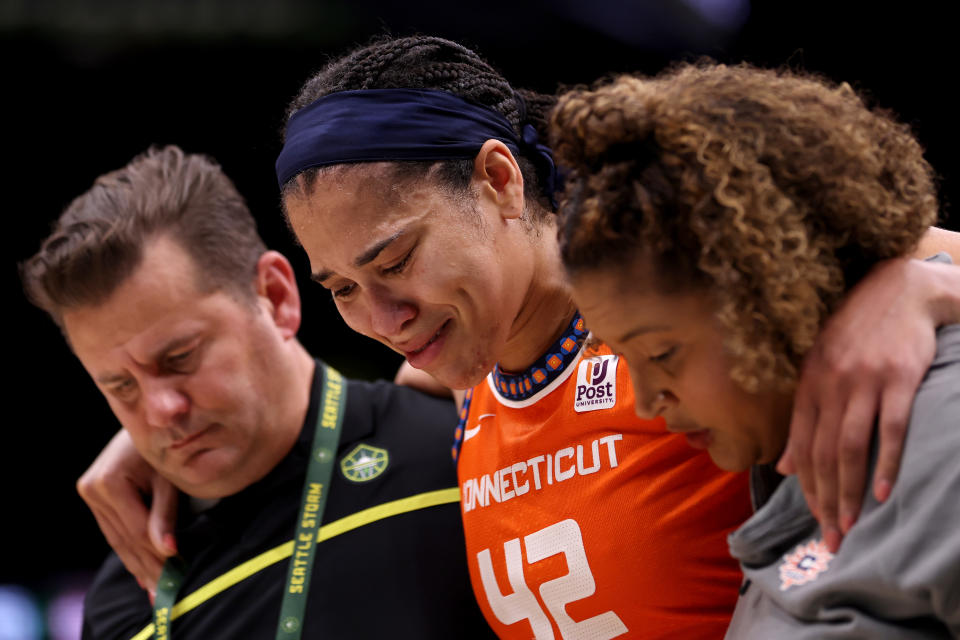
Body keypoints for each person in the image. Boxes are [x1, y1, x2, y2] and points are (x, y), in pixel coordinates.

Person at [79, 37, 960, 638]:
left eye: (396, 259)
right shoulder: (460, 387)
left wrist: (907, 282)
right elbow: (298, 409)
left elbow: (848, 232)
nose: (382, 317)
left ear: (498, 179)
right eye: (342, 287)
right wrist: (154, 428)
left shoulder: (680, 305)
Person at [21, 145, 496, 639]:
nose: (162, 410)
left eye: (180, 357)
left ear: (275, 295)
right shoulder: (123, 604)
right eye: (121, 386)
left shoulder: (460, 450)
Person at [550, 63, 959, 636]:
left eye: (663, 354)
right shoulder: (781, 451)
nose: (646, 403)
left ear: (770, 293)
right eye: (622, 358)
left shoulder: (944, 429)